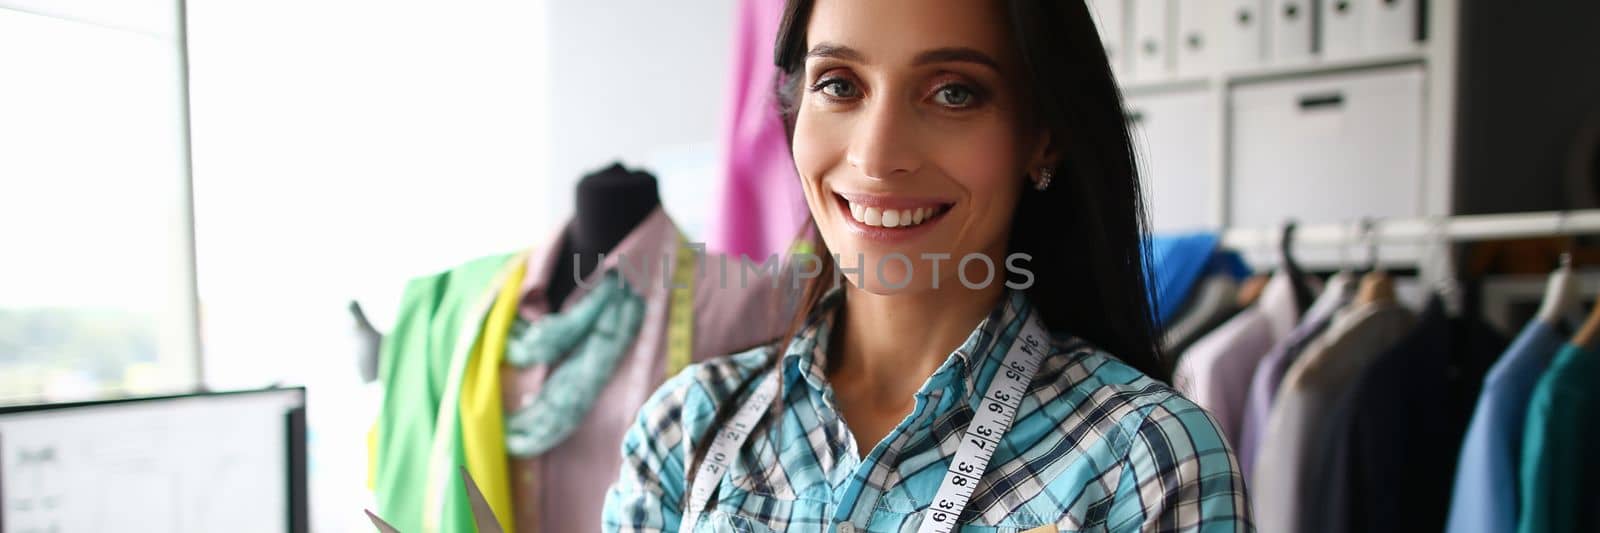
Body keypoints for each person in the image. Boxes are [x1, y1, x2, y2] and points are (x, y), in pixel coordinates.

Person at [603, 0, 1252, 531]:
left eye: (953, 93)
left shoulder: (1146, 457)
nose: (878, 156)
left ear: (1042, 136)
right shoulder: (684, 430)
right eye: (839, 84)